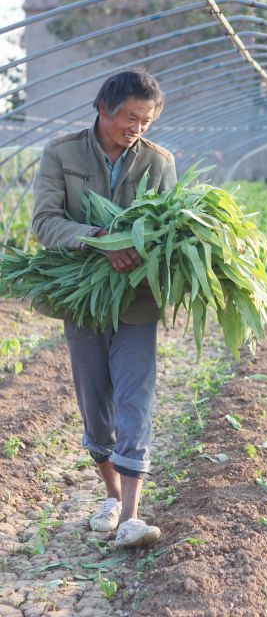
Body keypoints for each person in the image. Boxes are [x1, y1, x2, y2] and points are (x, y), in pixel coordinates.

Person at [32, 69, 177, 546]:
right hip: (84, 298)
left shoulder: (158, 162)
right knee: (96, 405)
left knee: (136, 397)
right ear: (103, 108)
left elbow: (169, 228)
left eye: (145, 120)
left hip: (136, 299)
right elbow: (46, 223)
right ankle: (112, 496)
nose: (136, 127)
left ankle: (133, 516)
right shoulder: (61, 153)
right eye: (129, 116)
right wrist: (98, 240)